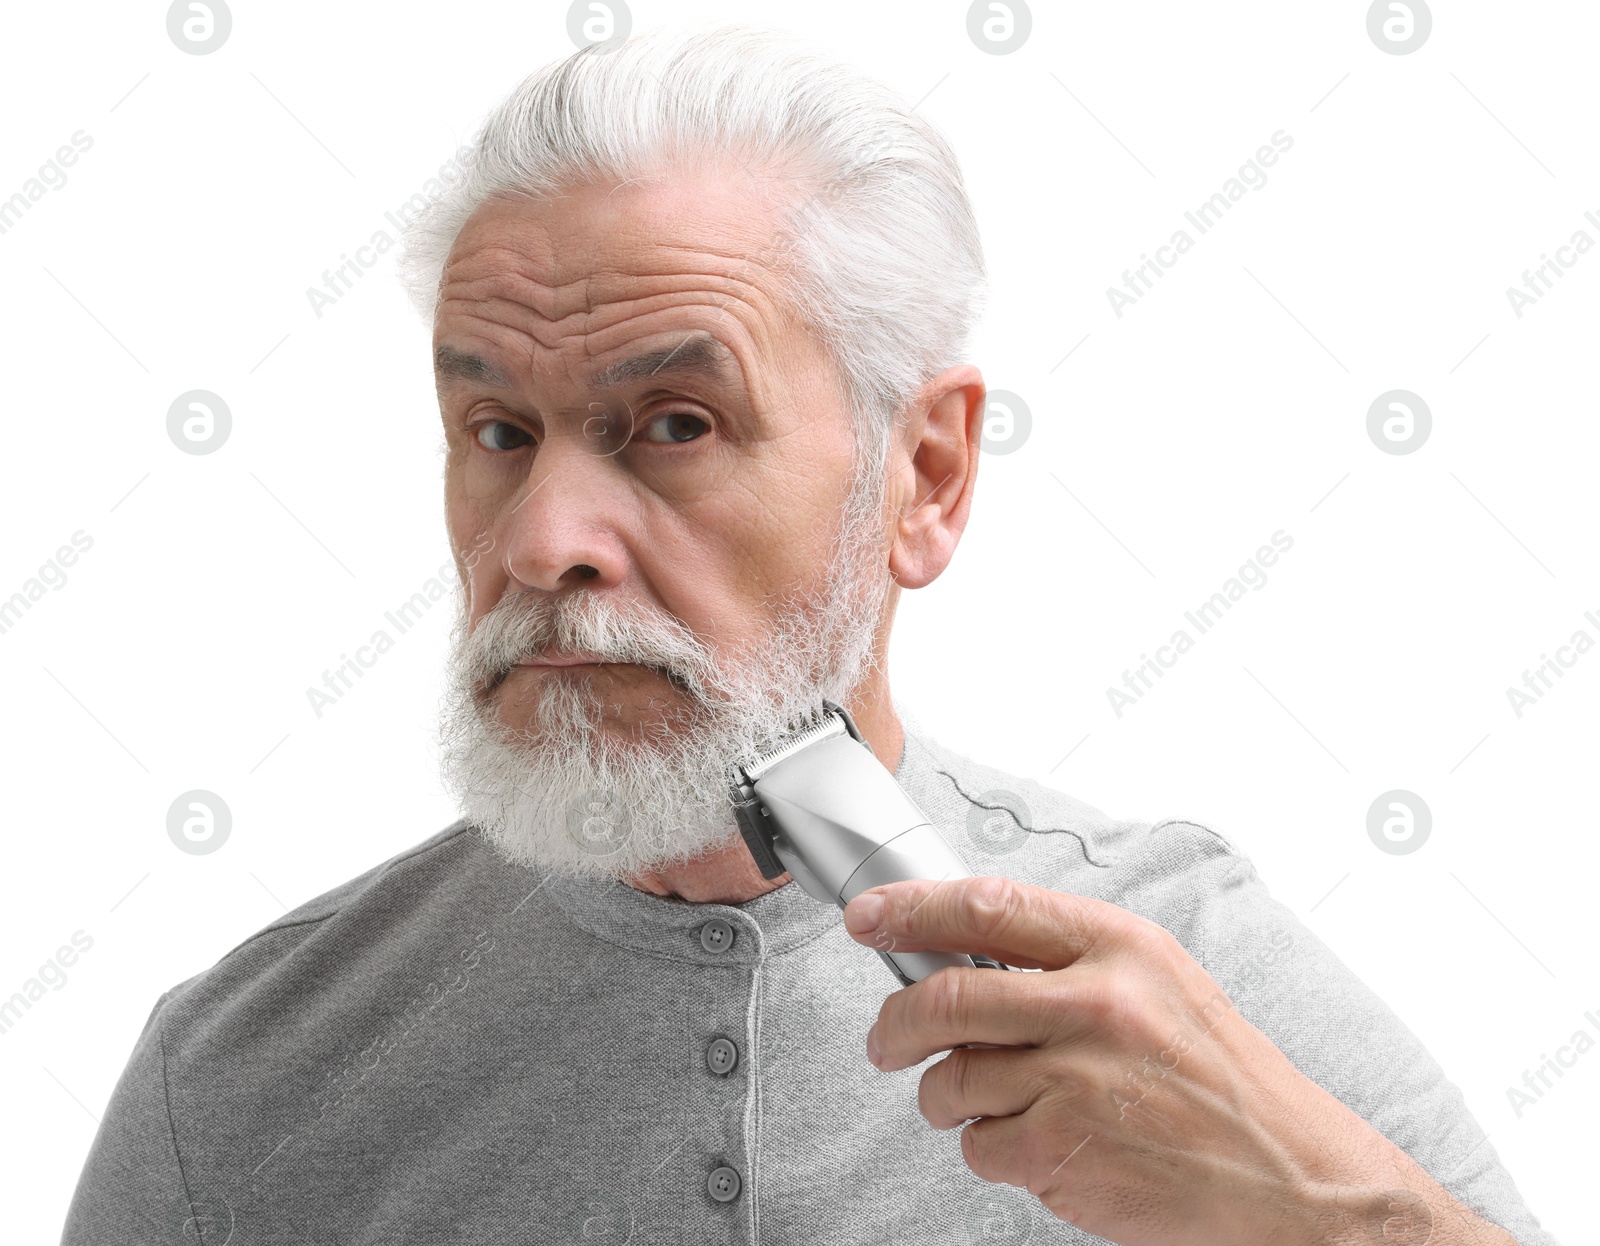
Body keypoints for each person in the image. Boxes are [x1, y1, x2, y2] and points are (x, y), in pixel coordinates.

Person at [62, 24, 1559, 1245]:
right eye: (497, 429)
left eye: (676, 422)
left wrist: (1318, 1217)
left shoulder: (1188, 978)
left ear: (926, 476)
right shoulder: (241, 1086)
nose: (538, 540)